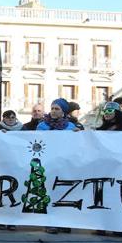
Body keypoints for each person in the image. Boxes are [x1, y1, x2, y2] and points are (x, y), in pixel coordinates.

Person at [94, 101, 122, 238]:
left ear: (116, 113)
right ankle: (101, 226)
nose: (107, 114)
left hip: (119, 170)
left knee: (118, 198)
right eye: (105, 112)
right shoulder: (100, 131)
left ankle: (117, 227)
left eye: (110, 111)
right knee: (101, 197)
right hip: (103, 169)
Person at [37, 98, 76, 234]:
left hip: (65, 165)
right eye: (52, 108)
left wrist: (79, 135)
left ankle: (63, 221)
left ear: (63, 112)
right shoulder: (42, 126)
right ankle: (49, 222)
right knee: (49, 192)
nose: (53, 111)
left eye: (57, 109)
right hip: (48, 164)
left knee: (63, 192)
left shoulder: (71, 127)